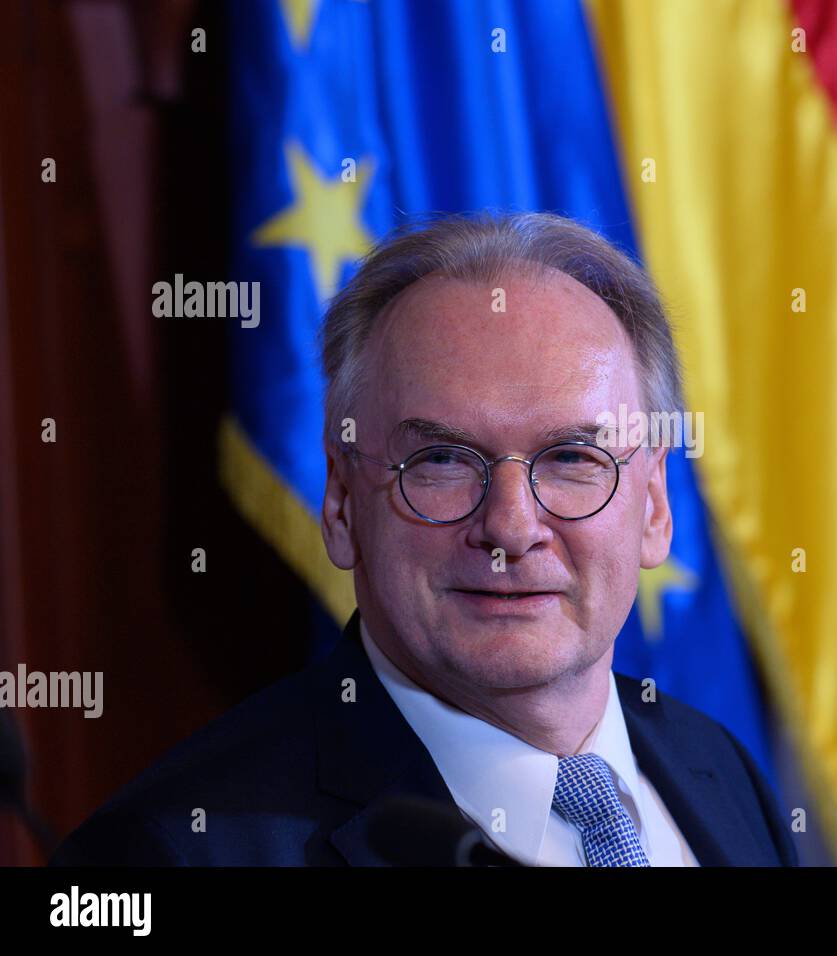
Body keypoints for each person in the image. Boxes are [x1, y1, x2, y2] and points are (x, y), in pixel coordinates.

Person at [50, 212, 797, 867]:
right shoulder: (175, 852)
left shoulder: (720, 772)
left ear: (655, 506)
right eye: (440, 460)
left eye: (573, 458)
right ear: (341, 503)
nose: (509, 526)